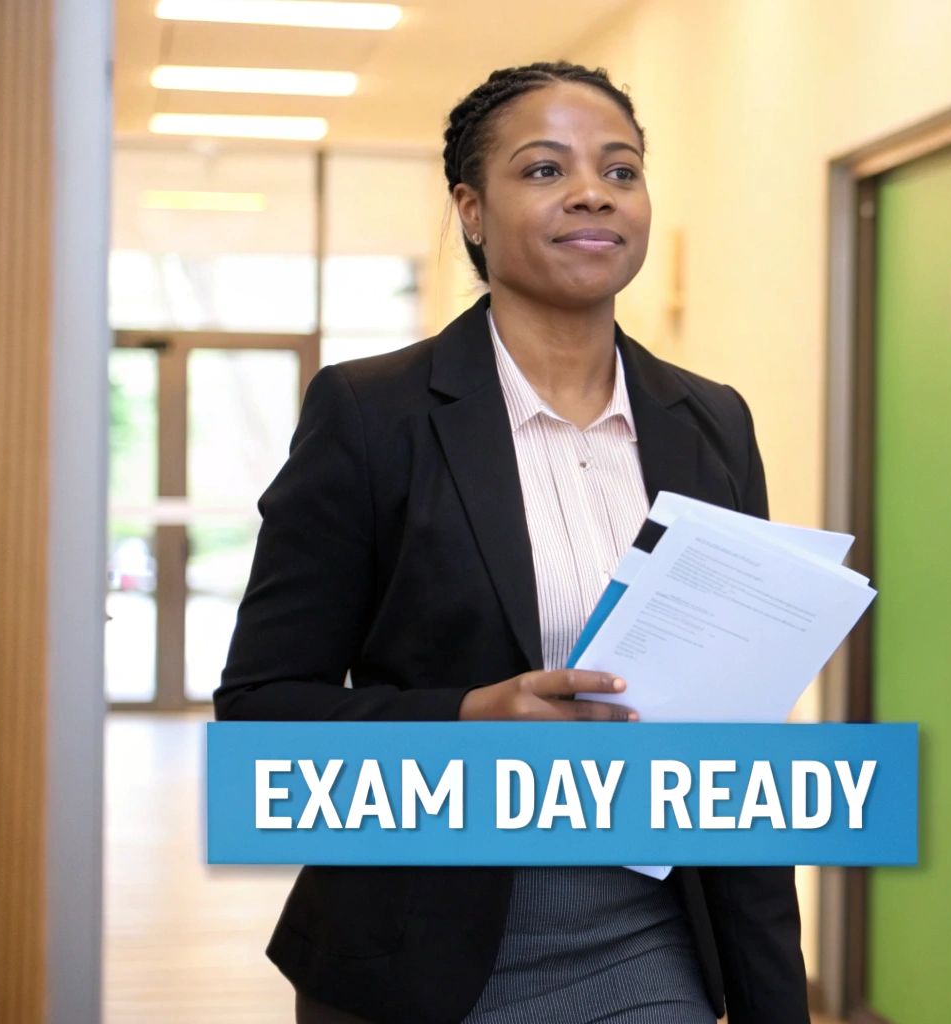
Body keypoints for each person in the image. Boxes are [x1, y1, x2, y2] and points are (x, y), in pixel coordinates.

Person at [214, 61, 807, 1024]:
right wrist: (467, 720)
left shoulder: (710, 425)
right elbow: (262, 712)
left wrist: (776, 1004)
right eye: (542, 170)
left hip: (651, 948)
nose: (591, 192)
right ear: (471, 211)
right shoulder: (372, 416)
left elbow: (735, 744)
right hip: (415, 956)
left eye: (621, 170)